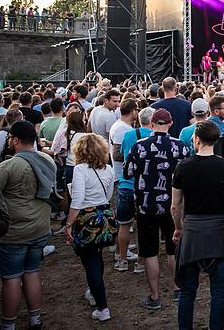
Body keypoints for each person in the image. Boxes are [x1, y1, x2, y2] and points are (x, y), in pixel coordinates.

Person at [171, 121, 224, 330]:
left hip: (193, 231)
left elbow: (175, 207)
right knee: (219, 291)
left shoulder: (183, 167)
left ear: (196, 139)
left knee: (187, 290)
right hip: (219, 232)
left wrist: (178, 228)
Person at [124, 108, 190, 310]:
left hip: (146, 206)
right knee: (174, 248)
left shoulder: (139, 146)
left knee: (150, 251)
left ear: (151, 124)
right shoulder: (180, 147)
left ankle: (155, 296)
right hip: (173, 206)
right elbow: (187, 176)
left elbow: (128, 172)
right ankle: (179, 289)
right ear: (170, 124)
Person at [0, 121, 56, 330]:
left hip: (14, 231)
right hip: (39, 227)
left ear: (16, 140)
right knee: (32, 272)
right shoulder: (47, 161)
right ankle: (35, 318)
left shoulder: (9, 166)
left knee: (11, 278)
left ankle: (8, 324)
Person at [65, 134, 115, 322]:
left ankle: (102, 307)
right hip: (103, 219)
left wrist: (68, 224)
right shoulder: (109, 169)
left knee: (90, 262)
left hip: (86, 220)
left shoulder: (80, 169)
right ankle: (95, 293)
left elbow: (77, 200)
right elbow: (108, 196)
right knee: (97, 257)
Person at [115, 107, 155, 273]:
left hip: (126, 184)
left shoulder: (129, 135)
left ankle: (122, 259)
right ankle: (140, 261)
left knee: (124, 225)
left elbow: (123, 155)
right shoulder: (155, 138)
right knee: (144, 226)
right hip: (145, 186)